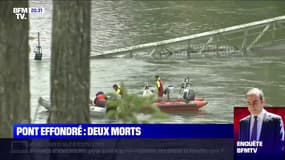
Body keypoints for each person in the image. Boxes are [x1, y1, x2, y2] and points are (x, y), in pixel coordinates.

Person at [238, 88, 284, 159]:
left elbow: (280, 147)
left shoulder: (275, 121)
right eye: (249, 103)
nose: (252, 106)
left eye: (255, 103)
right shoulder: (243, 123)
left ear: (263, 102)